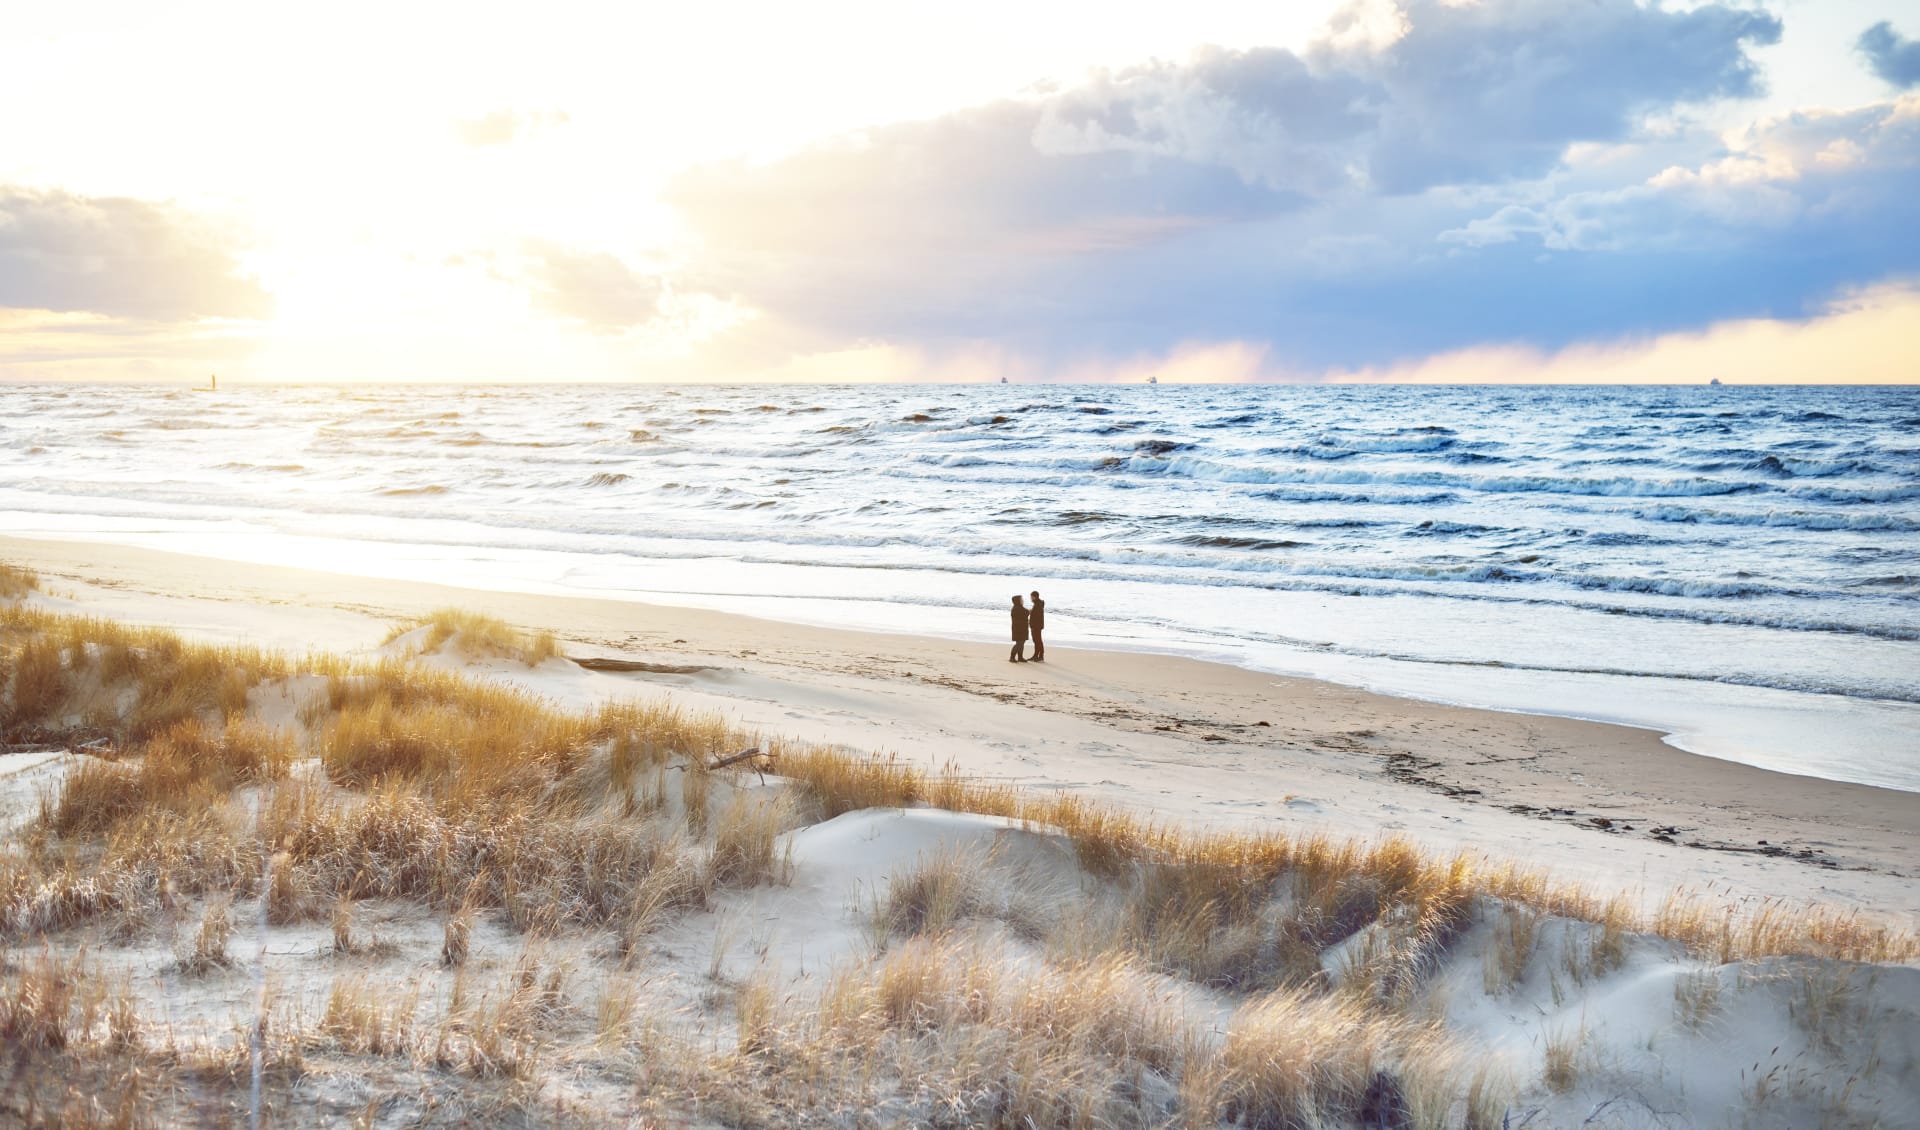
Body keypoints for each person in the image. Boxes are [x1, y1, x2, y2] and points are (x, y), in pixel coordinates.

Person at [1009, 595, 1029, 662]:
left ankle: (1020, 657)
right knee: (1019, 643)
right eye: (1021, 599)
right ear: (1018, 601)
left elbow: (1026, 612)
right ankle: (1012, 657)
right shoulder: (1017, 608)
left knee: (1021, 643)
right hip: (1018, 629)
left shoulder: (1018, 607)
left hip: (1021, 628)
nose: (1023, 600)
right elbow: (1026, 612)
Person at [1028, 590, 1046, 662]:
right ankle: (1037, 655)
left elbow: (1035, 616)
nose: (1030, 598)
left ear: (1034, 597)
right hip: (1038, 625)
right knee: (1037, 641)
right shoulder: (1038, 603)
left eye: (1031, 597)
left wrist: (1030, 613)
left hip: (1036, 626)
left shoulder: (1037, 604)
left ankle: (1040, 656)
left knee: (1037, 641)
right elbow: (1036, 614)